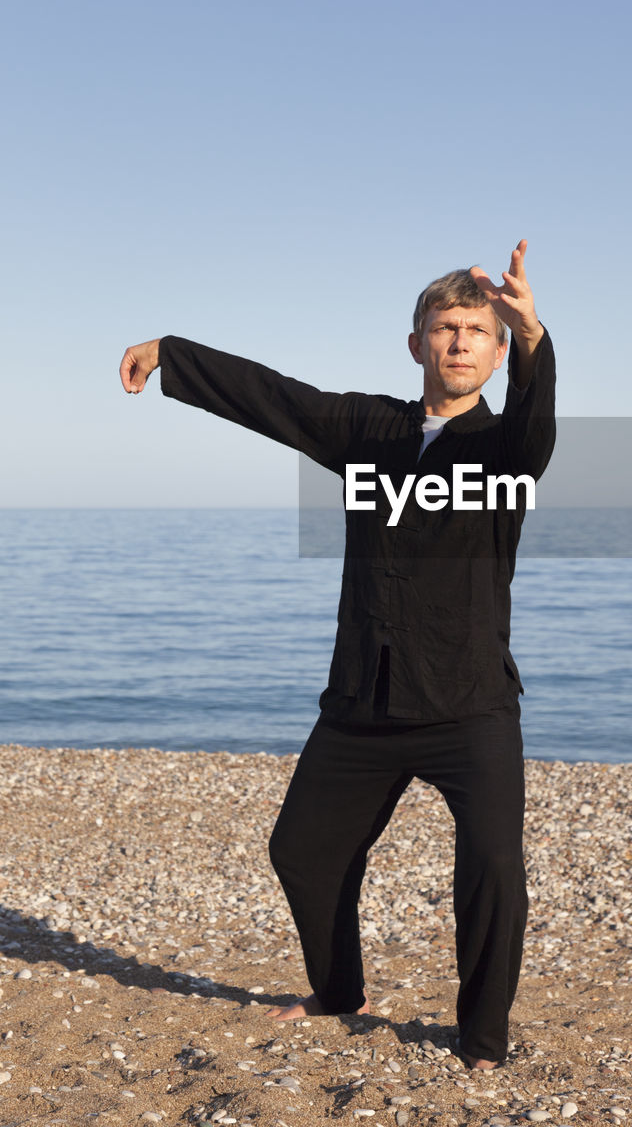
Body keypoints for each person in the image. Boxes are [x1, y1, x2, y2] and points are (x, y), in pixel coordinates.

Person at [119, 239, 555, 1068]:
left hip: (469, 704)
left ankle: (482, 1038)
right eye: (444, 326)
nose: (460, 340)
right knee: (304, 851)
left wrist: (534, 336)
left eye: (477, 330)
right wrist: (173, 356)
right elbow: (276, 400)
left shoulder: (507, 452)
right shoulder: (369, 429)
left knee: (493, 867)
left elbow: (538, 421)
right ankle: (339, 992)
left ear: (497, 354)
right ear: (417, 342)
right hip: (363, 698)